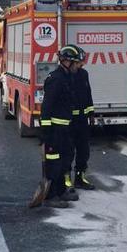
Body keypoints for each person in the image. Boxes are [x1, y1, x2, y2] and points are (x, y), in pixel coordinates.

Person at [39, 45, 81, 208]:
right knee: (54, 163)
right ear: (66, 61)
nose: (78, 66)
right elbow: (46, 107)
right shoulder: (55, 79)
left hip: (65, 129)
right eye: (75, 62)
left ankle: (62, 191)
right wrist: (46, 132)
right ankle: (50, 196)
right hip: (55, 130)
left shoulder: (67, 77)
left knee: (65, 161)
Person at [67, 45, 96, 191]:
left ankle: (80, 178)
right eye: (78, 62)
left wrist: (91, 113)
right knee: (68, 152)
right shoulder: (64, 76)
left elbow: (87, 95)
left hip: (82, 121)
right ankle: (66, 182)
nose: (81, 64)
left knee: (83, 151)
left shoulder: (83, 75)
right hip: (68, 122)